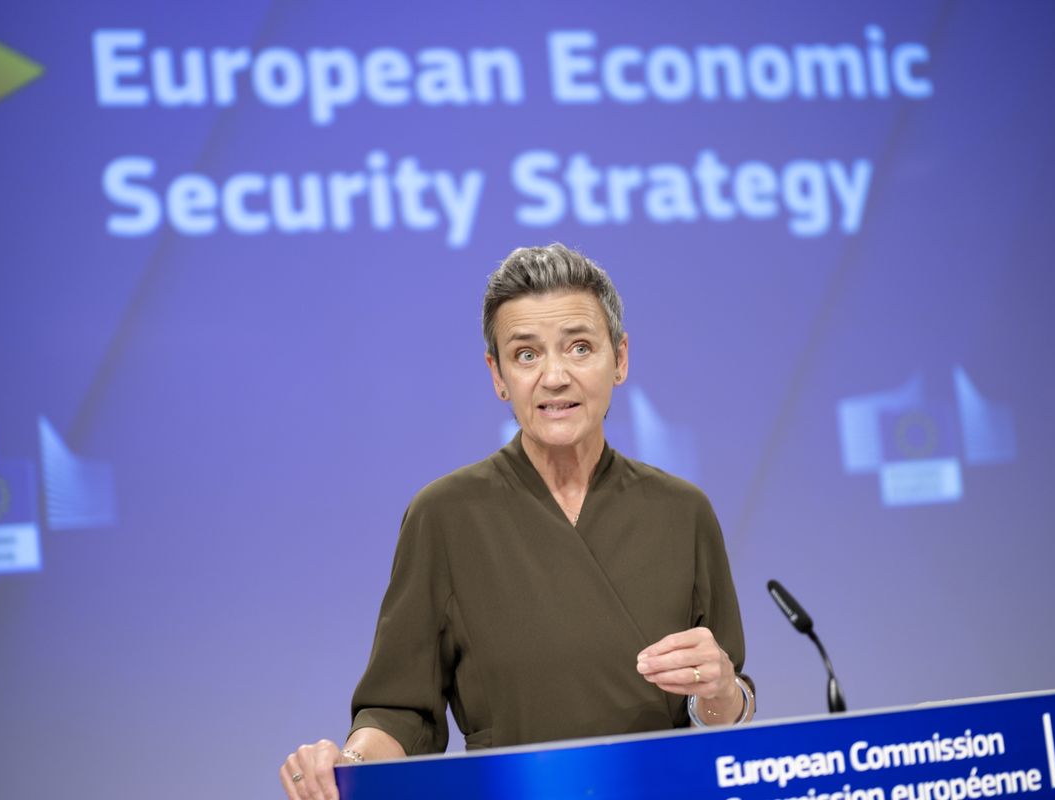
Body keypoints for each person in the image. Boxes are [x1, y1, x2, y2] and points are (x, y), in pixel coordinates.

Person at [280, 243, 754, 800]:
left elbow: (727, 706)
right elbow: (400, 711)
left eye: (579, 348)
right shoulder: (445, 516)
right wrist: (350, 765)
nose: (554, 377)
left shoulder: (683, 511)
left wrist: (722, 691)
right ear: (497, 374)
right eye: (526, 355)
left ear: (620, 359)